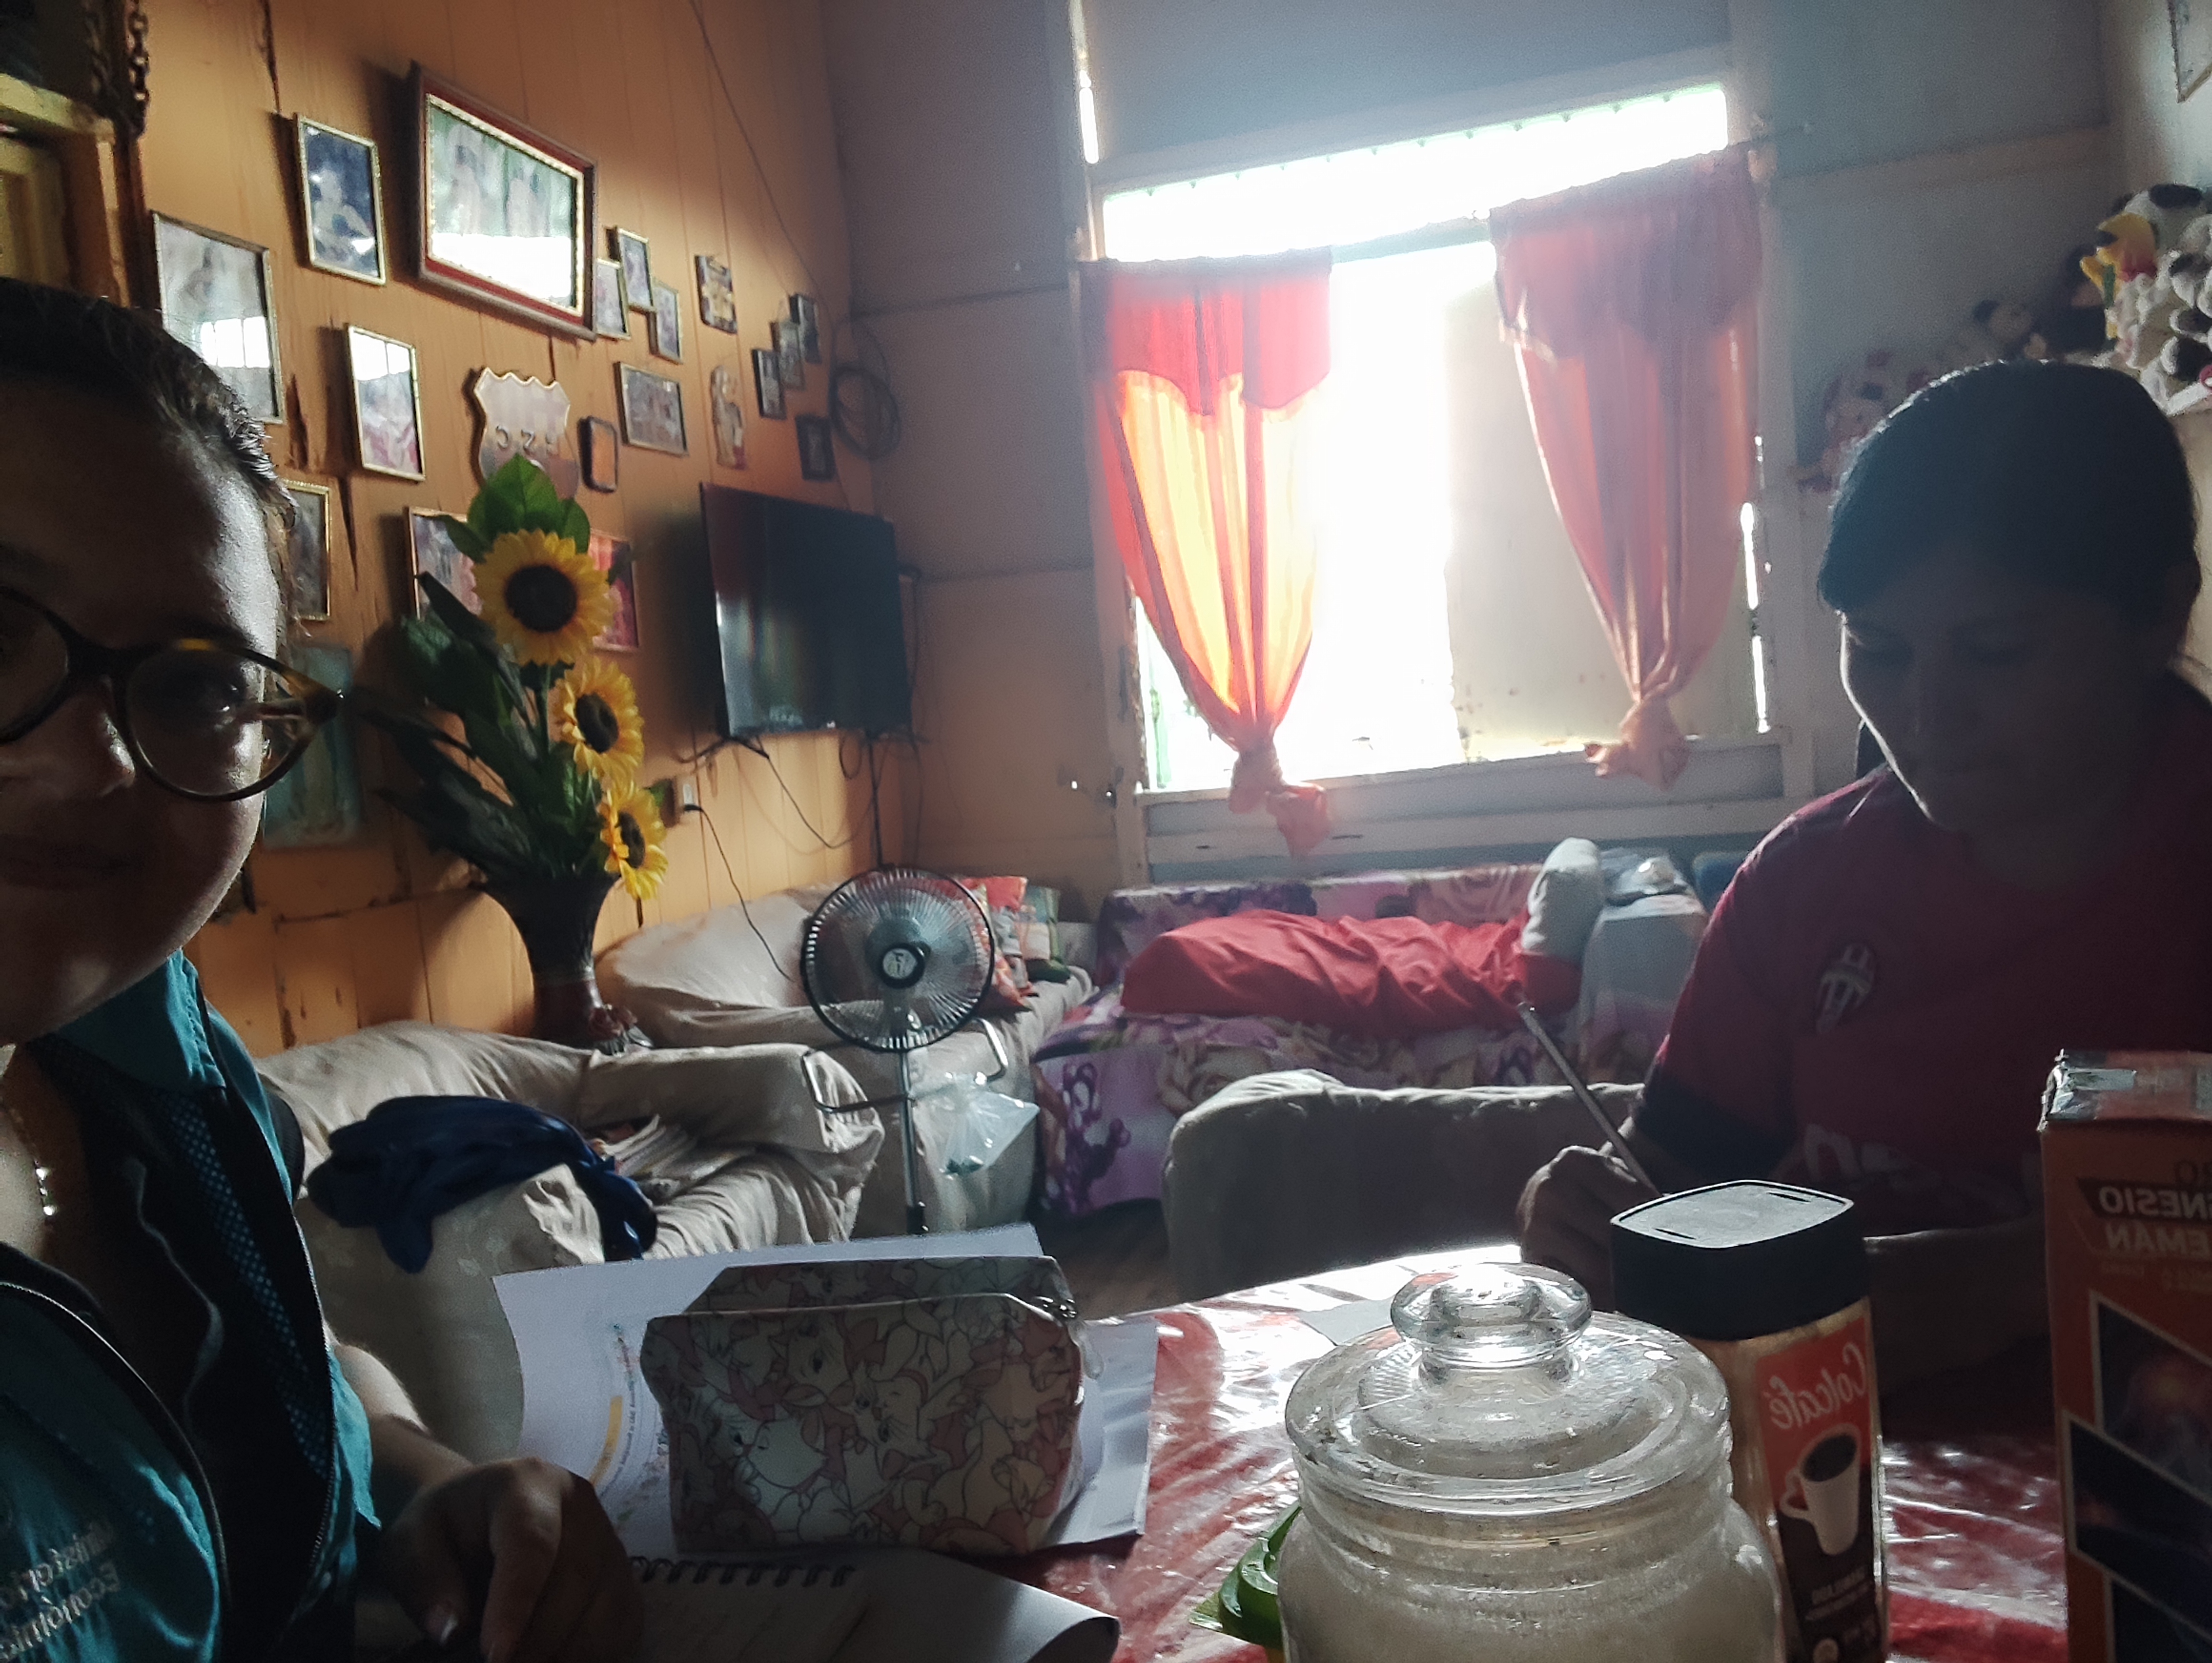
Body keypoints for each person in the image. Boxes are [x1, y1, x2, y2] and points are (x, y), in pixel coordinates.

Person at [0, 278, 640, 1660]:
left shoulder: (145, 1052)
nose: (88, 758)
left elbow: (290, 1375)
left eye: (196, 684)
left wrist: (427, 1482)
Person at [1518, 359, 2212, 1386]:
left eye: (1995, 652)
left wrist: (2004, 1284)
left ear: (2160, 613)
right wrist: (1580, 1215)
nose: (1926, 720)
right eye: (1878, 650)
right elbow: (1666, 1183)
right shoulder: (1803, 886)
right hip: (1829, 1456)